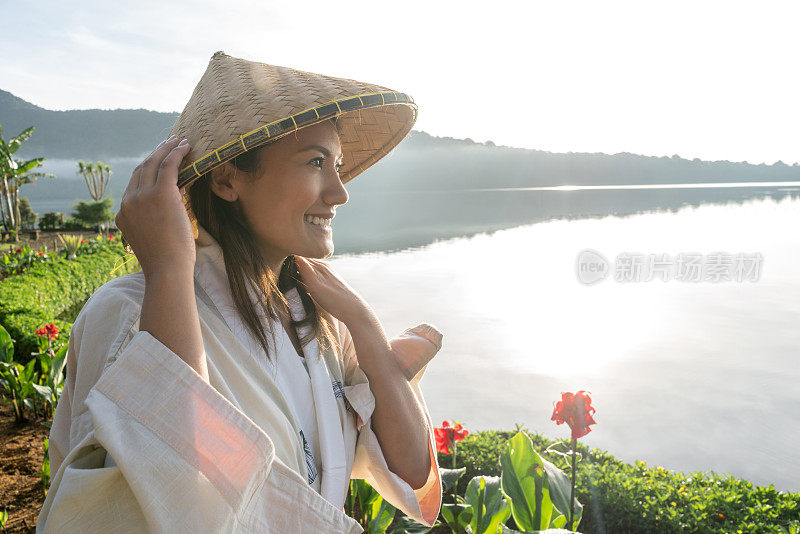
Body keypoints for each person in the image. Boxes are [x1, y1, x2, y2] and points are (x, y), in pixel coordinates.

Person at [36, 51, 443, 533]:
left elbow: (413, 470)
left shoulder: (320, 317)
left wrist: (365, 325)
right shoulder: (128, 311)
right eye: (316, 162)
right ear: (228, 178)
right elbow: (172, 490)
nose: (340, 192)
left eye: (336, 165)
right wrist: (168, 268)